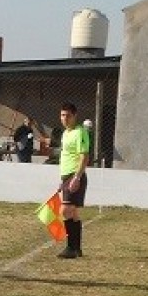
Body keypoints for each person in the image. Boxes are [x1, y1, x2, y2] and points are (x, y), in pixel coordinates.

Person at [56, 102, 89, 259]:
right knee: (73, 212)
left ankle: (71, 247)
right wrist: (62, 181)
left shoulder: (80, 132)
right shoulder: (65, 133)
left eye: (68, 115)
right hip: (66, 176)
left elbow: (84, 156)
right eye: (62, 115)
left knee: (65, 210)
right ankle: (76, 249)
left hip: (74, 176)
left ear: (75, 116)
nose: (65, 118)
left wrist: (77, 177)